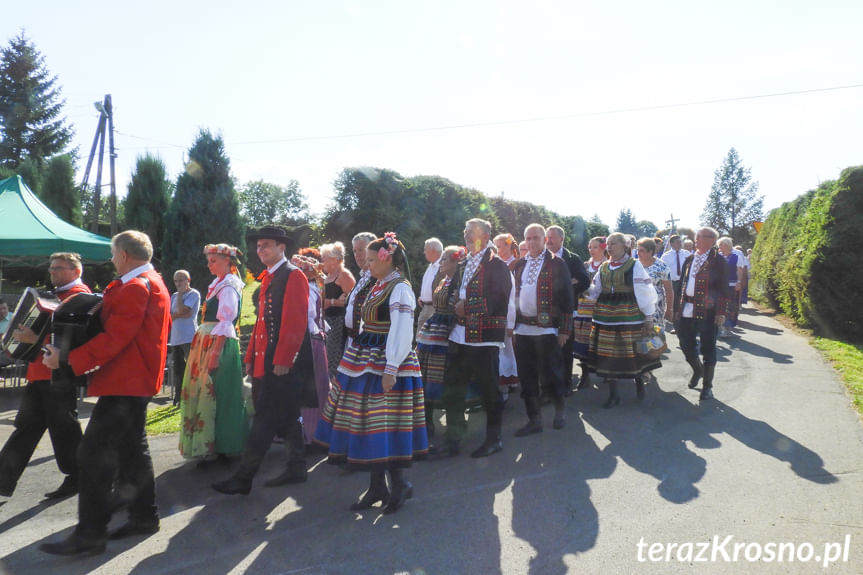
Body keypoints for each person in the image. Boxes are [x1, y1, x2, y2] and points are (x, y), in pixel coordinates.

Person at [39, 231, 171, 556]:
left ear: (124, 255)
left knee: (92, 454)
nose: (112, 260)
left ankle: (90, 534)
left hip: (125, 383)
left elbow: (115, 338)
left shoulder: (136, 287)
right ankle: (143, 517)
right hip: (133, 382)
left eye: (113, 254)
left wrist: (68, 359)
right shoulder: (148, 281)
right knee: (132, 451)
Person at [314, 233, 428, 514]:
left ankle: (399, 484)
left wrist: (391, 369)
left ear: (384, 258)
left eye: (369, 260)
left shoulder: (400, 288)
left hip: (389, 361)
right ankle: (377, 485)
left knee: (387, 423)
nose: (366, 265)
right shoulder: (378, 285)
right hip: (365, 357)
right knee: (367, 423)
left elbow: (402, 330)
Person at [212, 225, 315, 495]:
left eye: (266, 245)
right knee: (289, 415)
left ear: (282, 247)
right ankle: (296, 466)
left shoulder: (293, 276)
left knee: (265, 417)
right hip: (266, 358)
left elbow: (295, 323)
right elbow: (261, 324)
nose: (261, 250)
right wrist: (250, 356)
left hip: (282, 361)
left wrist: (283, 359)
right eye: (258, 246)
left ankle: (245, 476)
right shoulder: (270, 276)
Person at [0, 253, 90, 501]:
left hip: (58, 373)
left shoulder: (80, 296)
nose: (52, 273)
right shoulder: (57, 295)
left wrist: (35, 340)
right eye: (50, 269)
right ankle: (3, 481)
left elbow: (73, 339)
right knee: (28, 427)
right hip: (40, 372)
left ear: (75, 270)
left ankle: (80, 476)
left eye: (58, 268)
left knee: (64, 429)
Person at [434, 218, 513, 459]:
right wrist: (451, 303)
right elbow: (454, 291)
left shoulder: (497, 265)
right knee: (453, 389)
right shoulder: (464, 262)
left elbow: (500, 299)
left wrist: (466, 306)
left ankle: (494, 438)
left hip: (485, 337)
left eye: (473, 233)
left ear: (487, 237)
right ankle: (454, 437)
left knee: (489, 390)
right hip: (460, 335)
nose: (468, 237)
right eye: (466, 232)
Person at [178, 244, 248, 465]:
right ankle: (210, 444)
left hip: (219, 343)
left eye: (214, 260)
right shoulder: (218, 284)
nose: (209, 265)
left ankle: (223, 445)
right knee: (206, 392)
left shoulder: (229, 285)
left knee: (218, 393)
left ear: (228, 261)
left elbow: (226, 321)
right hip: (206, 341)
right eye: (209, 261)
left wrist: (216, 353)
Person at [511, 224, 573, 435]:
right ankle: (534, 420)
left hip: (547, 329)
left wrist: (564, 330)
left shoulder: (557, 263)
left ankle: (560, 410)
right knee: (526, 376)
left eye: (536, 238)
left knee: (552, 373)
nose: (531, 242)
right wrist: (512, 326)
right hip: (523, 329)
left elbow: (567, 298)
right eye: (528, 239)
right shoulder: (519, 264)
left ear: (545, 240)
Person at [586, 232, 658, 408]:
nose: (609, 247)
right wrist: (581, 289)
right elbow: (595, 291)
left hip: (629, 317)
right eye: (608, 244)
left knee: (633, 354)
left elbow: (645, 292)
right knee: (608, 356)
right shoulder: (603, 267)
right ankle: (614, 394)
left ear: (624, 246)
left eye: (613, 244)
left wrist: (648, 316)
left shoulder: (634, 266)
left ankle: (640, 384)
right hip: (605, 319)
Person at [416, 245, 463, 437]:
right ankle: (426, 420)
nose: (441, 263)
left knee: (437, 377)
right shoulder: (443, 280)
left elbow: (454, 308)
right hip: (433, 328)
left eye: (445, 260)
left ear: (454, 263)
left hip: (445, 331)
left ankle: (440, 421)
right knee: (424, 373)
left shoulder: (458, 284)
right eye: (442, 259)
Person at [677, 227, 729, 401]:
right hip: (687, 309)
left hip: (708, 311)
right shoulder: (690, 259)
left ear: (711, 240)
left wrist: (721, 312)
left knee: (708, 348)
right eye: (696, 236)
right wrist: (675, 308)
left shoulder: (719, 261)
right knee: (685, 343)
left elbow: (724, 288)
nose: (696, 239)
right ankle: (697, 370)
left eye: (700, 237)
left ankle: (707, 386)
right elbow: (682, 284)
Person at [292, 249, 331, 446]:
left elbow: (306, 319)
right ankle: (312, 434)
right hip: (313, 340)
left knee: (312, 389)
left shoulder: (307, 289)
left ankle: (312, 435)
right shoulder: (312, 288)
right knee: (315, 388)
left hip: (308, 342)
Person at [545, 225, 590, 394]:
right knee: (548, 348)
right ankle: (549, 385)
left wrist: (566, 284)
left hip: (566, 309)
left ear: (561, 239)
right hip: (546, 311)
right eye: (547, 237)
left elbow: (584, 280)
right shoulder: (543, 256)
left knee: (565, 348)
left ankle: (565, 384)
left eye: (552, 237)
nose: (548, 240)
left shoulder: (572, 258)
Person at [572, 236, 606, 391]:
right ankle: (585, 375)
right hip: (584, 308)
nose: (592, 250)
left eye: (595, 247)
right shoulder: (585, 265)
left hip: (601, 309)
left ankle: (606, 371)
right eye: (590, 247)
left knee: (600, 342)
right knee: (583, 342)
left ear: (603, 248)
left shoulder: (608, 266)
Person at [320, 242, 356, 378]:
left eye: (324, 258)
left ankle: (335, 386)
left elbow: (354, 301)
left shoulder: (343, 275)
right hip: (326, 321)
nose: (322, 261)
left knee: (334, 354)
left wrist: (332, 302)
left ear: (335, 260)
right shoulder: (327, 276)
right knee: (326, 355)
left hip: (338, 322)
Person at [492, 232, 520, 396]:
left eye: (499, 246)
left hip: (512, 310)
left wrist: (511, 321)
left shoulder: (516, 264)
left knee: (507, 348)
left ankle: (508, 383)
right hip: (497, 313)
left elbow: (512, 295)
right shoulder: (497, 264)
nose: (496, 250)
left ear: (508, 246)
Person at [169, 270, 200, 405]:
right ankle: (178, 396)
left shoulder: (193, 294)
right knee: (178, 368)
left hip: (189, 337)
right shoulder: (174, 296)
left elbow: (185, 312)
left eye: (181, 280)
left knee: (192, 368)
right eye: (176, 281)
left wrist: (181, 296)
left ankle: (194, 396)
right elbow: (171, 315)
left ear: (188, 280)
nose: (178, 283)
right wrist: (177, 314)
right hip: (176, 338)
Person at [344, 232, 378, 350]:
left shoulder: (378, 279)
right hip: (351, 340)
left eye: (361, 250)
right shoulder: (361, 277)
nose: (357, 255)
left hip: (367, 344)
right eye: (354, 251)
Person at [660, 235, 691, 332]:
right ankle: (676, 326)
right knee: (674, 303)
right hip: (672, 283)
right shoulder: (666, 256)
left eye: (680, 241)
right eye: (677, 242)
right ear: (671, 243)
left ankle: (685, 324)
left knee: (684, 303)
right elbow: (662, 270)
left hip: (685, 282)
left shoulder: (687, 254)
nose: (680, 243)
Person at [717, 237, 746, 337]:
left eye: (721, 244)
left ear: (727, 245)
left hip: (732, 286)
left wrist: (738, 282)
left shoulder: (736, 256)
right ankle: (721, 327)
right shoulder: (718, 256)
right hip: (720, 286)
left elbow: (740, 271)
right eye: (719, 244)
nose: (719, 247)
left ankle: (727, 328)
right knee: (720, 307)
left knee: (730, 307)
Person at [416, 237, 443, 332]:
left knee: (429, 340)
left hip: (435, 309)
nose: (424, 252)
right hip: (425, 307)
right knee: (419, 340)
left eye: (425, 249)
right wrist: (423, 297)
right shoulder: (431, 266)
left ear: (433, 251)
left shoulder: (443, 266)